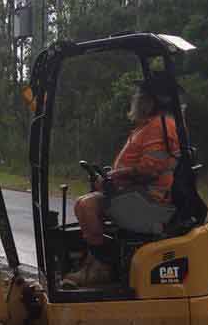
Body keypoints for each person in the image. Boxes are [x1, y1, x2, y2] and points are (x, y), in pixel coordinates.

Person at [64, 75, 180, 288]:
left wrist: (114, 177)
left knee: (85, 206)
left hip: (148, 200)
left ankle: (100, 269)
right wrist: (112, 176)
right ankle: (96, 262)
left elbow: (149, 170)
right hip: (139, 195)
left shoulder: (160, 126)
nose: (135, 98)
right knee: (88, 203)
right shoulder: (153, 125)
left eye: (140, 94)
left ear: (151, 100)